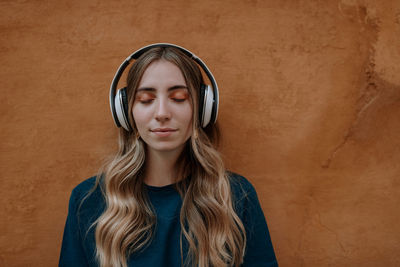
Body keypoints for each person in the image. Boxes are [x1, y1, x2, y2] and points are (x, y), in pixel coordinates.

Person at [59, 43, 278, 267]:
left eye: (179, 98)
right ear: (126, 112)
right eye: (145, 100)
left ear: (202, 109)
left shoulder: (236, 196)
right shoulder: (87, 200)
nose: (162, 113)